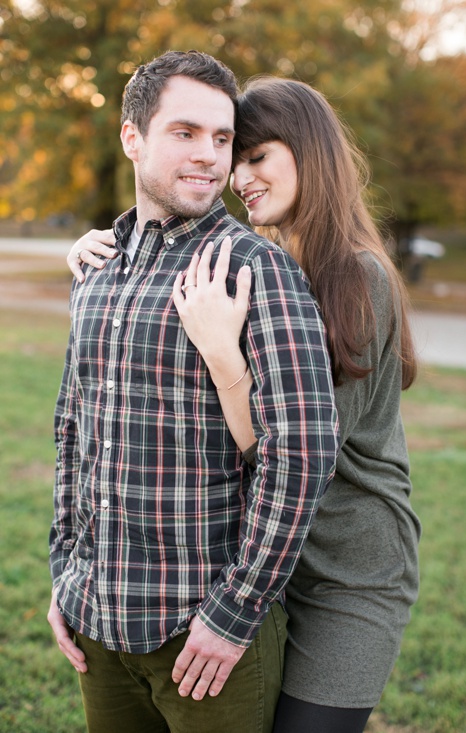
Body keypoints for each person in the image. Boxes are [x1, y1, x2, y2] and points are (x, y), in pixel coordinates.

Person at [67, 76, 421, 733]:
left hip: (349, 568)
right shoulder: (266, 260)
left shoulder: (357, 275)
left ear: (311, 151)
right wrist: (102, 255)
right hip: (275, 554)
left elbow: (286, 451)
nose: (239, 176)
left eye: (257, 156)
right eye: (239, 159)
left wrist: (225, 358)